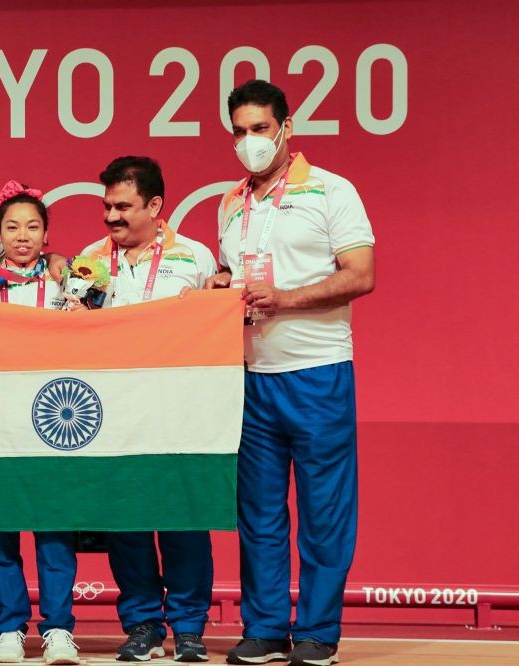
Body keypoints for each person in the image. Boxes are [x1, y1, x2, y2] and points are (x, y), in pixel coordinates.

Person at [208, 80, 375, 666]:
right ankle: (265, 628)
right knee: (258, 514)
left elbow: (361, 274)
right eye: (239, 131)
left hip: (317, 370)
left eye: (259, 128)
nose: (249, 141)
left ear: (286, 128)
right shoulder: (230, 203)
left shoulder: (331, 190)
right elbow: (233, 278)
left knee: (325, 512)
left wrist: (286, 299)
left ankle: (319, 633)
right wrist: (220, 287)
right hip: (251, 375)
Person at [80, 156, 218, 663]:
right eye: (107, 206)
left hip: (181, 413)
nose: (111, 216)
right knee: (127, 525)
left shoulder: (196, 258)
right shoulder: (89, 261)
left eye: (123, 206)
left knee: (185, 523)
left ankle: (189, 628)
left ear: (155, 205)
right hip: (114, 414)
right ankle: (142, 625)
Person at [0, 181, 81, 664]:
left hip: (53, 423)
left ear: (46, 234)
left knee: (55, 530)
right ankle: (9, 627)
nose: (22, 236)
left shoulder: (67, 281)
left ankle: (58, 629)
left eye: (33, 226)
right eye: (11, 227)